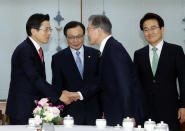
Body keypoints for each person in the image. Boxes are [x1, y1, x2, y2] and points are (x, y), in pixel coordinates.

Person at [6, 13, 66, 125]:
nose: (49, 33)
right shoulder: (25, 50)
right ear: (33, 31)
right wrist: (59, 95)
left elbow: (39, 80)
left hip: (33, 107)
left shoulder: (37, 49)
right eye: (46, 29)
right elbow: (35, 79)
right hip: (22, 109)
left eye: (50, 29)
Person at [87, 15, 146, 126]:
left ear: (99, 30)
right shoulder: (107, 49)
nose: (87, 34)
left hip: (124, 115)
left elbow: (125, 84)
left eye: (88, 29)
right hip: (116, 112)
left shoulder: (114, 49)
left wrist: (128, 116)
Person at [134, 12, 185, 131]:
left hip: (171, 110)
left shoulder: (176, 51)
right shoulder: (138, 54)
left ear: (162, 29)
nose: (149, 32)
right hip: (145, 112)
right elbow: (135, 84)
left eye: (153, 28)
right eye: (145, 29)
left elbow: (183, 80)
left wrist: (183, 105)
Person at [51, 21, 102, 125]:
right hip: (70, 115)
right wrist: (58, 114)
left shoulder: (96, 55)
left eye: (79, 36)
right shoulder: (58, 58)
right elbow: (57, 88)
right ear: (66, 38)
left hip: (95, 113)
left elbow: (101, 83)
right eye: (71, 37)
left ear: (84, 35)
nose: (75, 40)